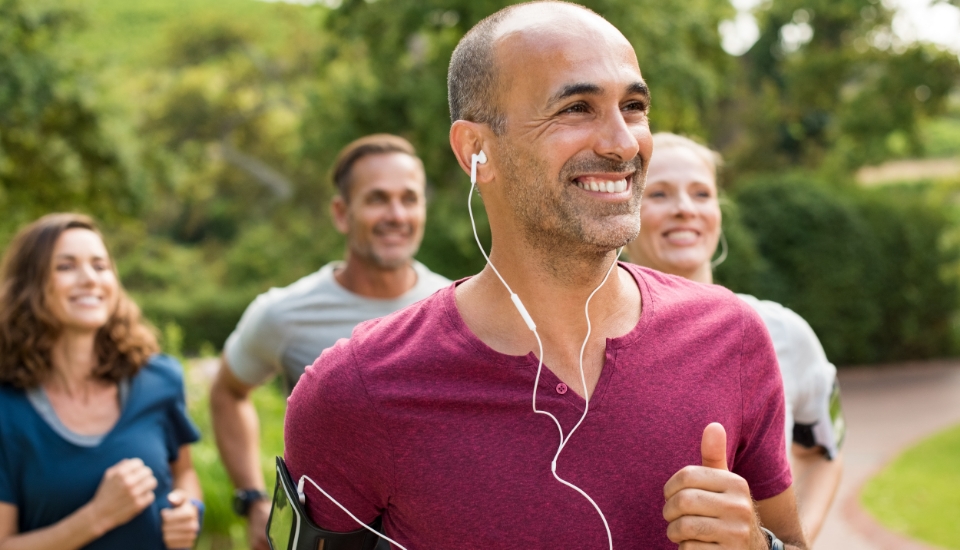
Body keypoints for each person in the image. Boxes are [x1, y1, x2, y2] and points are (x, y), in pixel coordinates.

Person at [285, 2, 807, 549]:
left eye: (633, 106)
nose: (623, 143)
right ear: (475, 149)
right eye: (577, 108)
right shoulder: (356, 391)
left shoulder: (732, 336)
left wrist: (758, 545)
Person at [210, 133, 449, 549]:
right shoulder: (284, 313)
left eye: (409, 199)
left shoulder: (454, 308)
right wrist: (252, 500)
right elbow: (228, 393)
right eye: (377, 199)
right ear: (341, 213)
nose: (397, 214)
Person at [625, 132, 845, 542]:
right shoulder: (590, 343)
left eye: (701, 194)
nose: (685, 209)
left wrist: (791, 544)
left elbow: (823, 453)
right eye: (659, 194)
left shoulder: (784, 333)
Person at [0, 213, 202, 550]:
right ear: (28, 285)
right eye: (66, 267)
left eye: (100, 265)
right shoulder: (7, 409)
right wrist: (98, 516)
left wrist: (188, 509)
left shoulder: (159, 379)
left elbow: (184, 472)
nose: (90, 279)